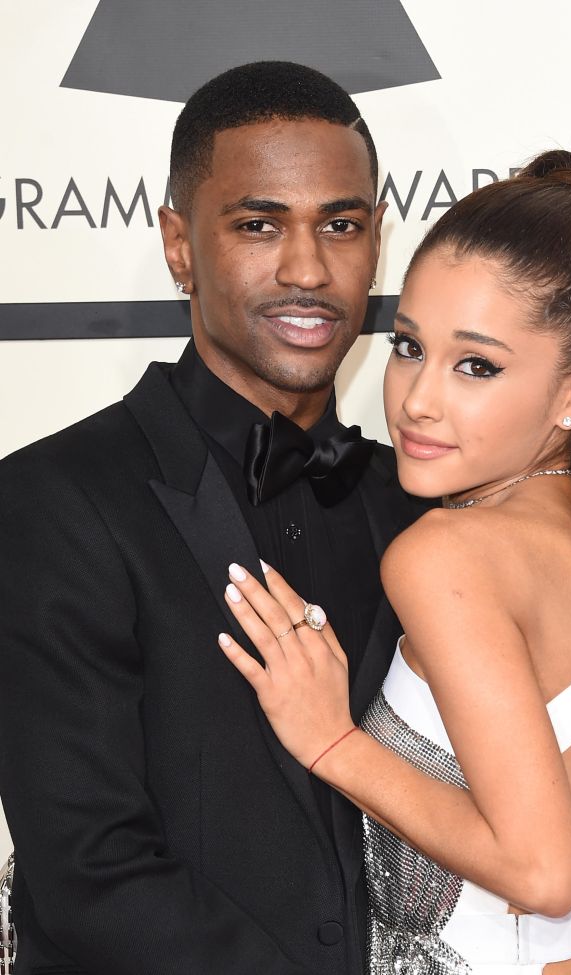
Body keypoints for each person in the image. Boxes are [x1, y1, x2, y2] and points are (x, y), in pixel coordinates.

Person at [214, 151, 571, 974]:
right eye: (410, 346)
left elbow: (548, 872)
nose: (418, 398)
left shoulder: (446, 553)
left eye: (477, 366)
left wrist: (332, 740)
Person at [0, 60, 424, 975]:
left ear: (378, 242)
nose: (308, 269)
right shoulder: (52, 500)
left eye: (340, 225)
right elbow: (91, 874)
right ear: (180, 244)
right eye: (258, 224)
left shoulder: (419, 503)